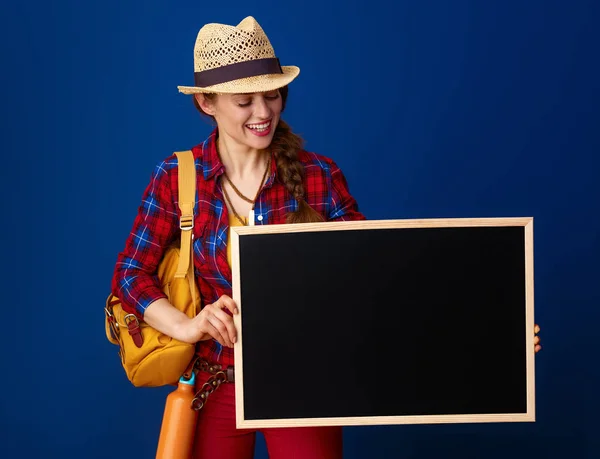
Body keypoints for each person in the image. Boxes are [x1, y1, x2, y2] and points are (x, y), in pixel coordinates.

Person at [112, 16, 542, 459]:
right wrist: (189, 325)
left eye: (272, 95)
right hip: (214, 383)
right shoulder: (177, 178)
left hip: (307, 386)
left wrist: (492, 330)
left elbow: (377, 282)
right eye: (244, 101)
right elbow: (130, 274)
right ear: (207, 102)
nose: (263, 113)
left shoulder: (319, 175)